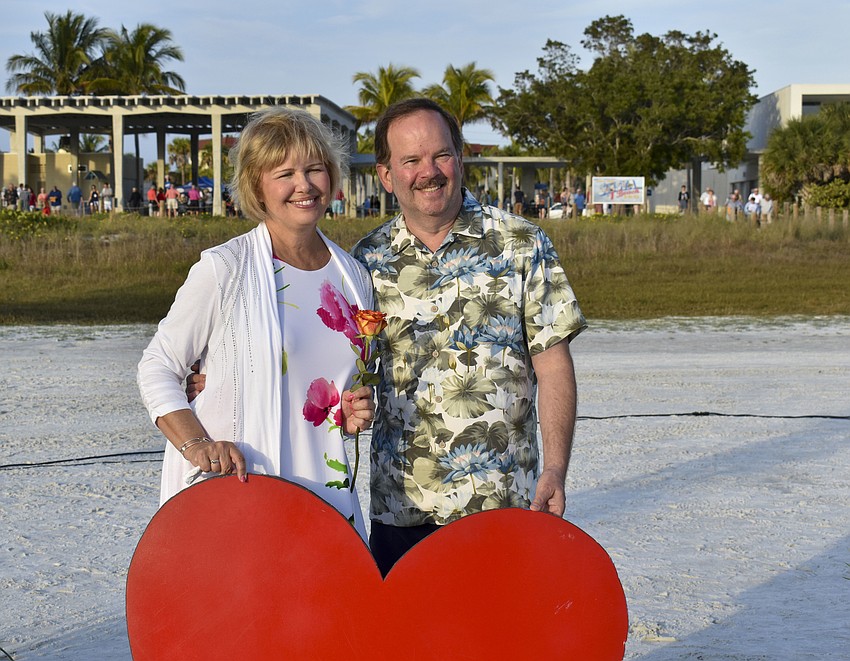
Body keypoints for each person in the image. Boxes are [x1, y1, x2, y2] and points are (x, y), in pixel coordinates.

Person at [352, 98, 585, 575]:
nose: (428, 172)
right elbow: (328, 364)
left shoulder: (523, 242)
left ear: (459, 158)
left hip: (501, 502)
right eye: (410, 161)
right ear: (386, 175)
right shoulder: (362, 262)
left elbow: (554, 365)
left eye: (440, 155)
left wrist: (555, 470)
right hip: (402, 509)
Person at [137, 107, 376, 539]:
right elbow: (158, 366)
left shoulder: (354, 278)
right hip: (242, 494)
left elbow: (326, 387)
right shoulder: (224, 269)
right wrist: (198, 446)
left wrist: (351, 410)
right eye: (284, 173)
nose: (303, 185)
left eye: (315, 169)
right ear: (256, 187)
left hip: (328, 497)